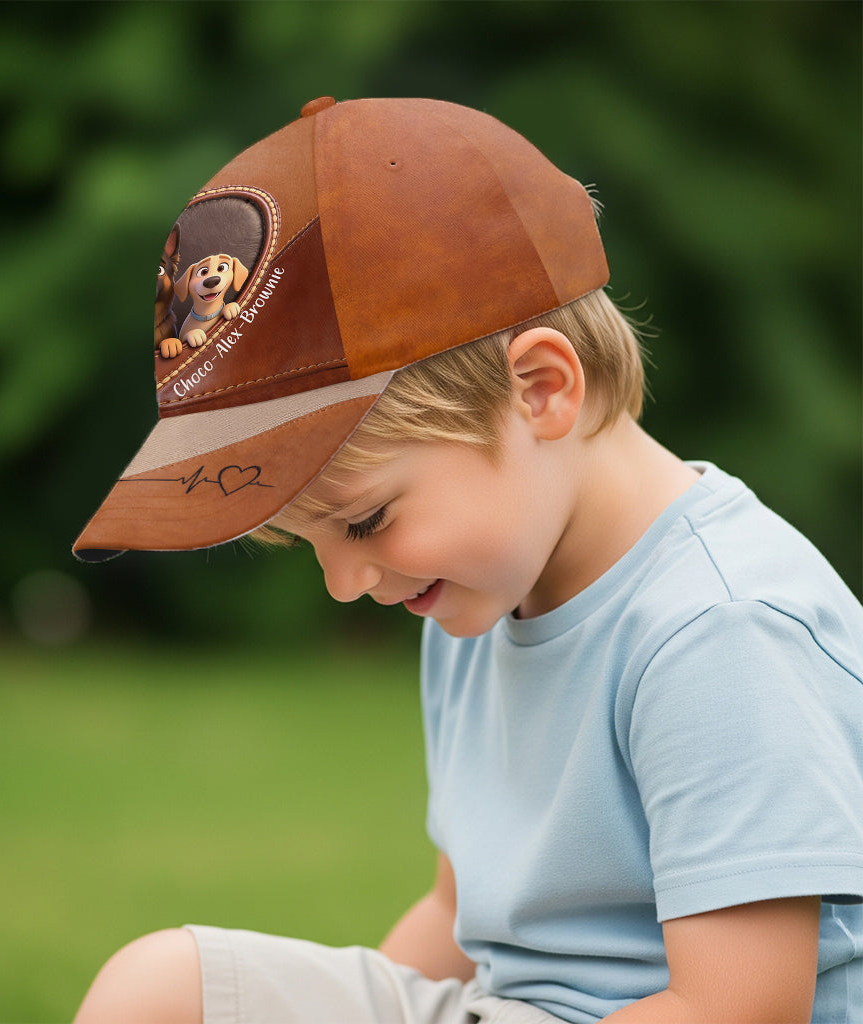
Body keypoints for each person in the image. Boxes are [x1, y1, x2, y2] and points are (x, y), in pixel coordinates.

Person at [71, 97, 863, 1023]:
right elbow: (459, 915)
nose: (345, 585)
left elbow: (739, 1008)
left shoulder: (719, 629)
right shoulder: (474, 596)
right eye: (310, 542)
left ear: (540, 391)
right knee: (161, 989)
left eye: (365, 521)